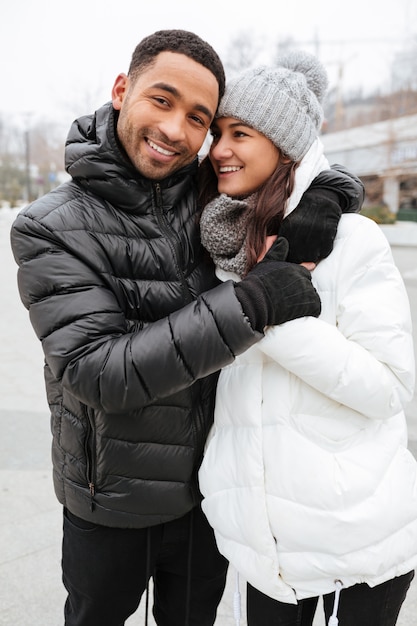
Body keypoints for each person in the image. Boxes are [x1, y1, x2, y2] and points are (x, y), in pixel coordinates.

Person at [10, 30, 360, 626]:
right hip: (113, 500)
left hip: (209, 493)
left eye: (199, 118)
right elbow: (100, 373)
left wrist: (327, 194)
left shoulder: (209, 194)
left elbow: (290, 161)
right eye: (162, 100)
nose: (176, 130)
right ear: (123, 91)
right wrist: (251, 304)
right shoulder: (49, 227)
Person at [198, 51, 417, 626]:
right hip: (263, 546)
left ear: (285, 143)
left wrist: (272, 315)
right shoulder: (224, 242)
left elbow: (390, 388)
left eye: (240, 133)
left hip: (357, 541)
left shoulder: (354, 241)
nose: (220, 148)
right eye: (218, 132)